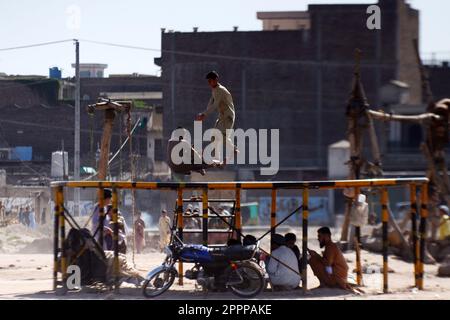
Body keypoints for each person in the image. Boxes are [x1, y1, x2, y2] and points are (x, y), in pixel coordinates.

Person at [195, 71, 238, 165]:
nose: (209, 83)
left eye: (210, 81)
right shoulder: (215, 90)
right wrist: (203, 113)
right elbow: (211, 101)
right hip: (222, 116)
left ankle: (233, 149)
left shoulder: (221, 90)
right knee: (214, 136)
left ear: (215, 80)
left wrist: (204, 115)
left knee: (221, 135)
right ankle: (217, 159)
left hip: (228, 116)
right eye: (208, 81)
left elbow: (215, 105)